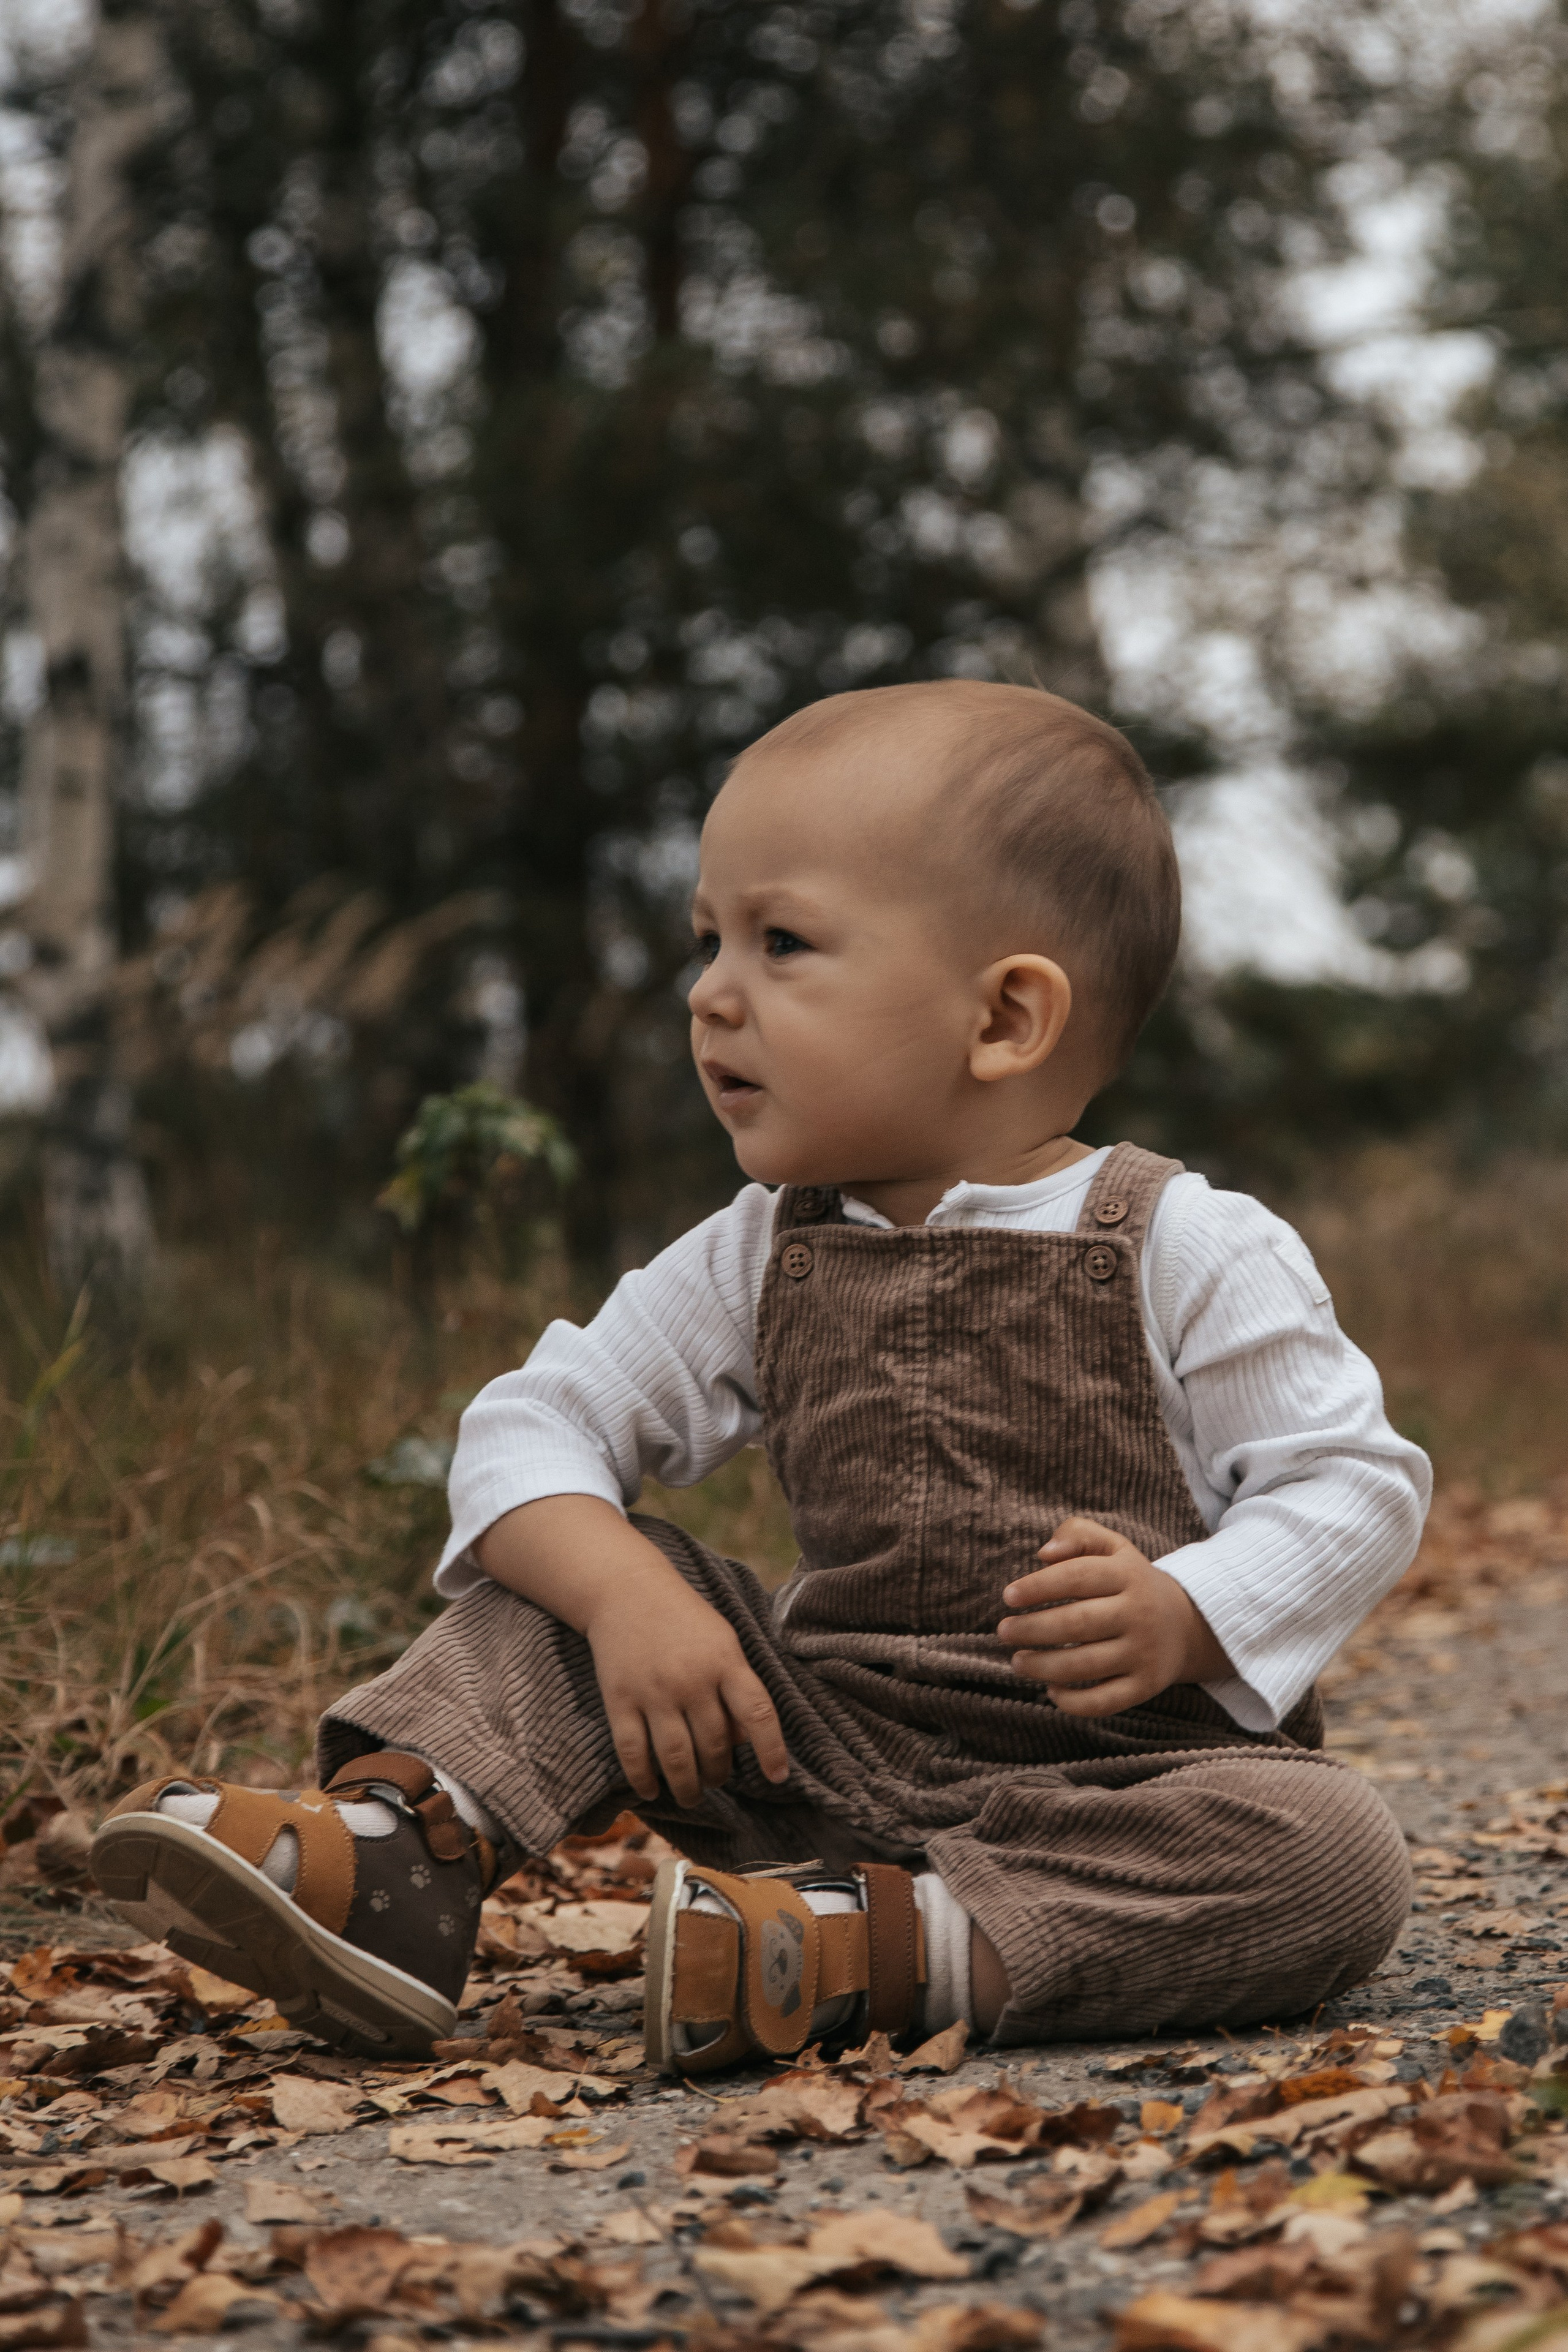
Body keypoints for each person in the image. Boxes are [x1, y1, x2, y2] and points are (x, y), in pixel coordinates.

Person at [92, 680, 1427, 2070]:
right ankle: (393, 1861)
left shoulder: (1187, 1244)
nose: (709, 994)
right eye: (707, 940)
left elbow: (1350, 1483)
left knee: (1331, 1853)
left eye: (780, 942)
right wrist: (625, 1599)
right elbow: (534, 1423)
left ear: (1004, 1018)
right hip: (814, 1755)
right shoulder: (757, 1251)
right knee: (565, 1582)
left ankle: (867, 1952)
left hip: (1128, 1785)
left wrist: (1192, 1610)